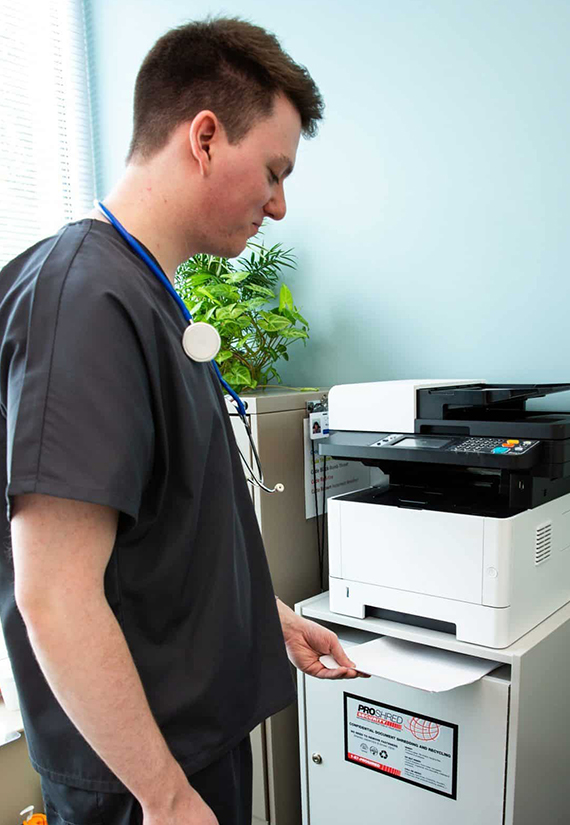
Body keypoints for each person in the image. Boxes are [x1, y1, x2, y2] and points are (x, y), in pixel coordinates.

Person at [0, 17, 361, 825]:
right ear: (204, 137)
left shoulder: (145, 294)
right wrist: (165, 797)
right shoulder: (82, 303)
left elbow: (159, 539)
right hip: (142, 780)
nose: (278, 204)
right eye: (272, 170)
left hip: (183, 754)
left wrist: (264, 619)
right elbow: (54, 595)